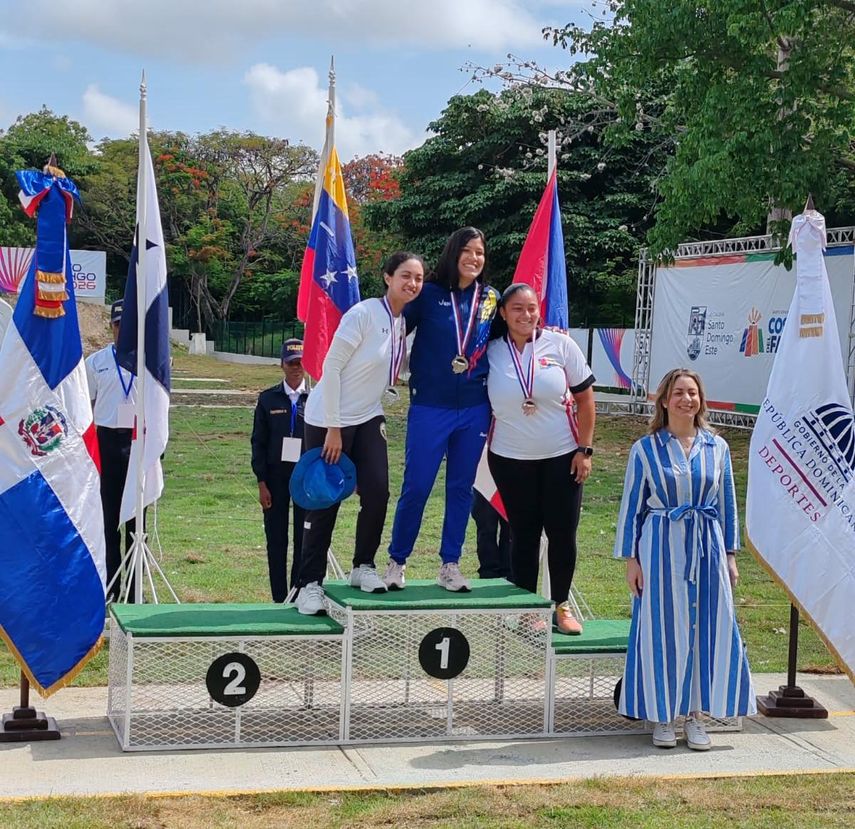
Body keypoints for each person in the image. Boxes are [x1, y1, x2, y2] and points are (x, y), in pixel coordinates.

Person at [614, 368, 756, 751]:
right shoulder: (646, 449)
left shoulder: (717, 447)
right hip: (660, 547)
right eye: (678, 393)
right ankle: (663, 716)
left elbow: (726, 505)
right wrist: (631, 559)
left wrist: (730, 555)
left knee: (704, 627)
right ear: (665, 400)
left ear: (701, 400)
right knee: (662, 628)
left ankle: (695, 716)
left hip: (707, 547)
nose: (686, 399)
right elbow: (632, 507)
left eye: (692, 393)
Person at [294, 252, 425, 615]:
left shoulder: (401, 322)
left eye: (418, 278)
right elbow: (331, 367)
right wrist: (334, 428)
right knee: (325, 499)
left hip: (368, 414)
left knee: (378, 491)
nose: (412, 283)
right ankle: (309, 584)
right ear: (387, 277)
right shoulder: (363, 314)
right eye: (405, 276)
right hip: (328, 417)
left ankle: (362, 565)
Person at [384, 227, 500, 592]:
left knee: (461, 488)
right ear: (453, 252)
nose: (474, 258)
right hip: (430, 406)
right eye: (467, 251)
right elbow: (393, 325)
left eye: (479, 252)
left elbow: (510, 337)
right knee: (417, 486)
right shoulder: (429, 293)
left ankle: (450, 564)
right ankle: (397, 560)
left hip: (474, 407)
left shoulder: (490, 299)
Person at [486, 283, 595, 634]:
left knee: (562, 533)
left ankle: (561, 607)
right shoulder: (491, 350)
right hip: (509, 457)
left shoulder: (560, 345)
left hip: (561, 456)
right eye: (517, 308)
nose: (526, 315)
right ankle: (527, 609)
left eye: (531, 308)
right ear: (503, 313)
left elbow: (586, 400)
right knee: (523, 534)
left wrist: (584, 449)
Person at [85, 299, 138, 602]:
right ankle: (112, 586)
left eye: (127, 325)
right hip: (106, 440)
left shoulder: (146, 362)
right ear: (111, 326)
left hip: (136, 442)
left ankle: (134, 589)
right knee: (108, 519)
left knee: (135, 521)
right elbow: (88, 404)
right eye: (118, 325)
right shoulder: (96, 362)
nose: (122, 330)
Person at [251, 339, 309, 602]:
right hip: (275, 478)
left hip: (305, 479)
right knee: (276, 539)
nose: (296, 368)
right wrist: (261, 482)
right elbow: (258, 442)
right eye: (291, 363)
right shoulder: (268, 399)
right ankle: (278, 597)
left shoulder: (316, 398)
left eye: (300, 363)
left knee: (303, 539)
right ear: (282, 365)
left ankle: (298, 593)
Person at [471, 490, 511, 579]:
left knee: (510, 529)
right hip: (485, 484)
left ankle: (508, 571)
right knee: (486, 526)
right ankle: (488, 572)